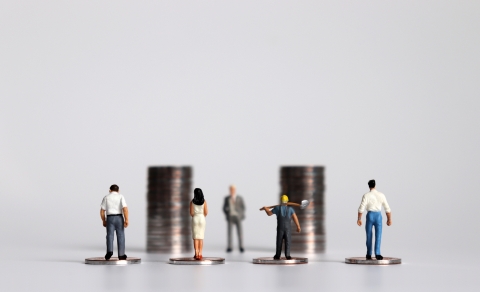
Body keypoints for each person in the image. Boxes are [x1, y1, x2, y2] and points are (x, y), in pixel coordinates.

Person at [357, 179, 392, 260]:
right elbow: (387, 208)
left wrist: (359, 218)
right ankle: (378, 253)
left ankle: (369, 253)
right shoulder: (381, 195)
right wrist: (389, 219)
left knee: (369, 235)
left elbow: (361, 208)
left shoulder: (366, 195)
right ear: (375, 185)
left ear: (369, 186)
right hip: (378, 216)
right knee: (378, 235)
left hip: (370, 215)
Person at [260, 195, 301, 260]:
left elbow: (269, 213)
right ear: (287, 201)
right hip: (287, 229)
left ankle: (277, 255)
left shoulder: (277, 208)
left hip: (280, 228)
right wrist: (298, 226)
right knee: (288, 241)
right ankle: (287, 255)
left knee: (279, 241)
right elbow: (295, 217)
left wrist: (266, 209)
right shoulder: (290, 209)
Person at [100, 184, 129, 260]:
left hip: (110, 218)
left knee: (109, 235)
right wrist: (126, 219)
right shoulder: (120, 196)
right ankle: (121, 254)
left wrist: (103, 220)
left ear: (109, 190)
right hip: (119, 217)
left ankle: (109, 251)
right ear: (118, 191)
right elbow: (125, 209)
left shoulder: (106, 197)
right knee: (121, 236)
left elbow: (102, 211)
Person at [223, 184, 245, 252]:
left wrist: (240, 215)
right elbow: (224, 207)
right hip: (230, 216)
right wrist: (227, 212)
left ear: (235, 190)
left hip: (237, 217)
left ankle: (241, 246)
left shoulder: (239, 198)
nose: (232, 191)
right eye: (230, 189)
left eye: (233, 189)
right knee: (229, 232)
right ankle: (230, 247)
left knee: (240, 232)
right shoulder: (227, 198)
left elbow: (243, 207)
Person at [190, 188, 208, 260]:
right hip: (202, 218)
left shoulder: (192, 202)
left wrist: (195, 215)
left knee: (195, 237)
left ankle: (196, 253)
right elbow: (206, 212)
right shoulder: (204, 202)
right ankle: (200, 253)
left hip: (195, 218)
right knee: (201, 237)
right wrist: (202, 215)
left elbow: (191, 213)